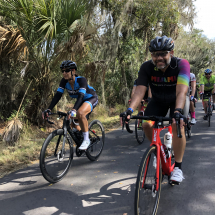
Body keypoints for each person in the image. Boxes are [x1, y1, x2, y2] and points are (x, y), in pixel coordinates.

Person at [121, 36, 190, 184]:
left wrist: (177, 111)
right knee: (146, 124)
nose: (159, 57)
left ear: (171, 53)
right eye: (155, 54)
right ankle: (160, 151)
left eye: (163, 53)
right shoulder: (146, 67)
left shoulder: (181, 64)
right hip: (158, 101)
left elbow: (181, 92)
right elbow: (140, 91)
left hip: (177, 100)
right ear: (151, 55)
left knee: (177, 125)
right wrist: (129, 110)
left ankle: (178, 167)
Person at [42, 60, 98, 150]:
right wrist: (49, 109)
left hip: (90, 98)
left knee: (80, 113)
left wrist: (74, 109)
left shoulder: (81, 80)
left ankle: (87, 140)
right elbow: (58, 95)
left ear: (73, 71)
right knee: (72, 121)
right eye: (62, 71)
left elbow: (81, 96)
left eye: (67, 70)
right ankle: (84, 136)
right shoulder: (64, 82)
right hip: (81, 101)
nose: (64, 73)